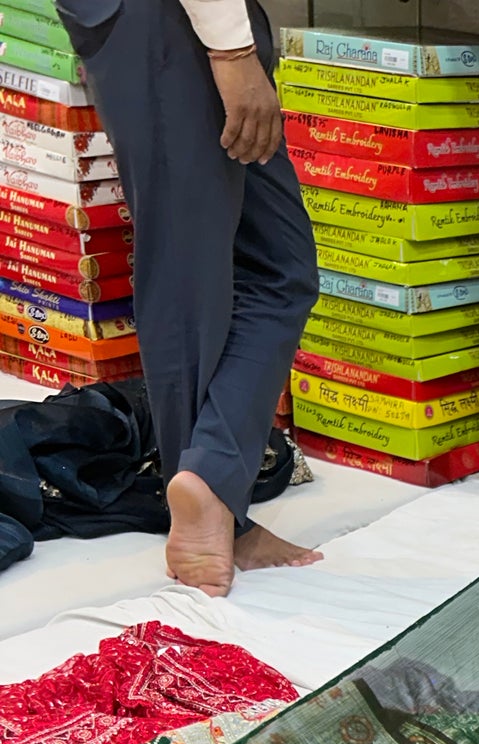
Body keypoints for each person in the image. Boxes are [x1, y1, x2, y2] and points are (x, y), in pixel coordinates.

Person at [55, 0, 321, 597]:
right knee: (186, 269)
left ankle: (213, 484)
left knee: (280, 266)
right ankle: (210, 510)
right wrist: (231, 49)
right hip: (178, 21)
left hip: (178, 22)